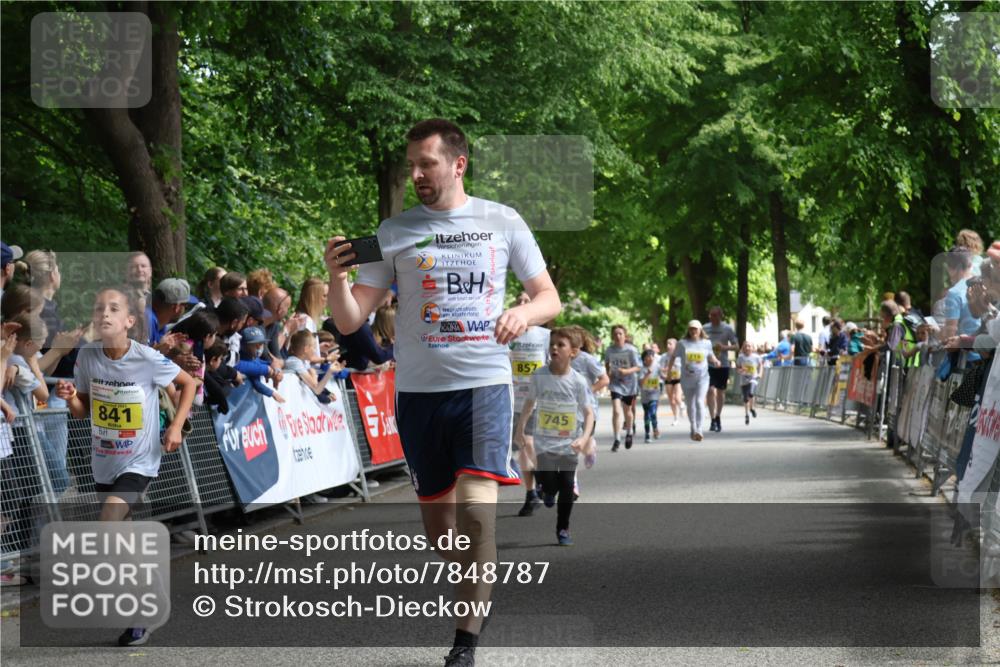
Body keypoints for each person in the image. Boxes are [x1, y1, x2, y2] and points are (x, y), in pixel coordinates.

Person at [324, 118, 560, 667]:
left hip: (482, 387)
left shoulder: (502, 221)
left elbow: (548, 297)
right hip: (419, 395)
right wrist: (337, 280)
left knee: (478, 517)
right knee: (443, 531)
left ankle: (465, 640)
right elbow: (352, 317)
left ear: (458, 163)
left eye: (426, 163)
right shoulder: (394, 231)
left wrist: (522, 313)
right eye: (411, 165)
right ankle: (474, 587)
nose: (416, 174)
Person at [54, 285, 196, 647]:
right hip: (104, 461)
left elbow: (189, 383)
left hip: (139, 460)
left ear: (129, 321)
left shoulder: (146, 358)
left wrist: (176, 427)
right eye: (99, 308)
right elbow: (84, 410)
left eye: (113, 309)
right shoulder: (87, 356)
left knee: (108, 525)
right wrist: (71, 399)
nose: (104, 314)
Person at [514, 327, 593, 547]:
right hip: (544, 441)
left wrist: (584, 438)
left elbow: (588, 413)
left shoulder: (578, 381)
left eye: (561, 345)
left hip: (569, 441)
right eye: (552, 344)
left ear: (573, 352)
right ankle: (546, 490)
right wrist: (521, 429)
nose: (554, 348)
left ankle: (563, 528)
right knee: (549, 484)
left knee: (567, 484)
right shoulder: (540, 375)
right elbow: (529, 403)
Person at [508, 292, 549, 517]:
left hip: (538, 401)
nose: (522, 305)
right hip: (514, 399)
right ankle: (531, 492)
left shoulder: (545, 336)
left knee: (528, 442)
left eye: (527, 301)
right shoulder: (508, 336)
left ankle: (542, 478)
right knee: (522, 445)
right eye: (519, 301)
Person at [666, 320, 720, 441]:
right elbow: (673, 357)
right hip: (687, 379)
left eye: (695, 329)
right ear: (688, 330)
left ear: (700, 330)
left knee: (700, 401)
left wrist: (716, 361)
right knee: (690, 404)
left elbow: (710, 355)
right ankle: (693, 426)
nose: (693, 331)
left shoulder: (706, 343)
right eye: (691, 329)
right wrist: (669, 373)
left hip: (703, 378)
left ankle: (699, 430)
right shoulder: (682, 343)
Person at [566, 325, 608, 469]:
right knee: (571, 442)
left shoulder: (588, 360)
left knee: (585, 444)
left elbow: (605, 380)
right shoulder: (561, 357)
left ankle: (590, 450)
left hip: (588, 409)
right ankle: (572, 479)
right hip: (568, 409)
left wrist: (588, 390)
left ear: (581, 343)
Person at [603, 324, 641, 451]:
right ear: (612, 336)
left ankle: (629, 432)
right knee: (616, 411)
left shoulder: (631, 350)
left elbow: (638, 367)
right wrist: (608, 374)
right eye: (615, 334)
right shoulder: (609, 350)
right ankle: (617, 439)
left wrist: (627, 371)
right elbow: (607, 365)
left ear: (625, 335)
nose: (618, 336)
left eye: (620, 333)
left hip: (629, 384)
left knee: (628, 412)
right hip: (615, 384)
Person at [703, 306, 738, 433]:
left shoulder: (727, 328)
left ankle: (718, 416)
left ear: (720, 316)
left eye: (715, 315)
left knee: (720, 392)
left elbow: (736, 346)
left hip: (723, 364)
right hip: (708, 364)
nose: (712, 318)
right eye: (710, 315)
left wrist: (724, 347)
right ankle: (712, 419)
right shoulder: (705, 328)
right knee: (710, 390)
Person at [146, 278, 192, 347]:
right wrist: (157, 351)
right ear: (177, 307)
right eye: (185, 306)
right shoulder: (147, 321)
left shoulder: (161, 325)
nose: (184, 310)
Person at [659, 338, 684, 426]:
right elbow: (660, 368)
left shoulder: (680, 356)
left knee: (677, 397)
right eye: (667, 344)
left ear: (675, 346)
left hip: (678, 378)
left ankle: (681, 405)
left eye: (670, 344)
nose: (668, 346)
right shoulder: (663, 356)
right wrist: (664, 372)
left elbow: (683, 367)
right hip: (668, 379)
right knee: (671, 400)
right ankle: (676, 418)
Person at [736, 341, 761, 425]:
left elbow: (761, 365)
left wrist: (760, 373)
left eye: (749, 346)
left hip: (753, 378)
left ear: (752, 348)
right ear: (743, 348)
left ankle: (752, 408)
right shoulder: (740, 357)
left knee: (751, 392)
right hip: (744, 379)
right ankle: (747, 414)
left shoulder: (756, 357)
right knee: (746, 398)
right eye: (746, 346)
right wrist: (740, 370)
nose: (747, 348)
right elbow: (738, 367)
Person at [639, 349, 660, 442]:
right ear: (644, 359)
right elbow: (641, 383)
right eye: (648, 356)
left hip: (654, 394)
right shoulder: (641, 369)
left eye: (652, 356)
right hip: (645, 395)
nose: (651, 358)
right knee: (647, 414)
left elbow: (663, 375)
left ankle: (655, 428)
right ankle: (647, 434)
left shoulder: (657, 366)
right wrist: (648, 373)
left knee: (653, 412)